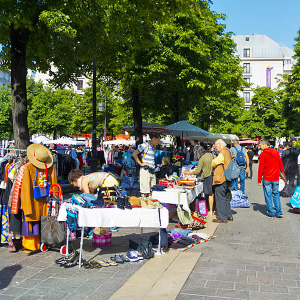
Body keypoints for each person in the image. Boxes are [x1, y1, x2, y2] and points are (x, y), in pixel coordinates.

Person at [183, 144, 215, 215]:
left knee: (209, 193)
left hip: (207, 176)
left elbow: (197, 171)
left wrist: (188, 172)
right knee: (211, 193)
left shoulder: (202, 158)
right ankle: (211, 209)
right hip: (213, 175)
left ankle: (210, 210)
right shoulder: (211, 155)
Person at [258, 139, 284, 218]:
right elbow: (280, 163)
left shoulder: (263, 154)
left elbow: (261, 168)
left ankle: (271, 212)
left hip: (267, 178)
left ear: (265, 145)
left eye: (260, 145)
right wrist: (283, 173)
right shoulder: (275, 152)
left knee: (268, 195)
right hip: (275, 177)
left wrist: (259, 179)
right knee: (276, 194)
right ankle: (279, 212)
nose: (260, 147)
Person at [211, 139, 233, 223]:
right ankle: (228, 215)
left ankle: (222, 217)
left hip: (221, 178)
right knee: (226, 197)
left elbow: (214, 162)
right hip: (227, 177)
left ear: (220, 145)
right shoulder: (228, 150)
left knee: (220, 198)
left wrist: (211, 163)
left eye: (216, 146)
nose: (215, 148)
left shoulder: (223, 152)